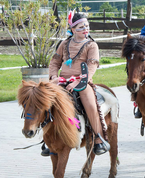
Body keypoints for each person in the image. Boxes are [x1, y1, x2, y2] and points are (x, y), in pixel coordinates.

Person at [46, 12, 110, 156]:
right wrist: (54, 77)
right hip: (62, 81)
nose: (85, 29)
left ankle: (99, 137)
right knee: (44, 99)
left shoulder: (92, 45)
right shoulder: (64, 43)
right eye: (81, 27)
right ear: (73, 29)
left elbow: (92, 66)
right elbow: (55, 61)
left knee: (90, 104)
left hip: (82, 81)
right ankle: (47, 139)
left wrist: (78, 81)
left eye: (87, 26)